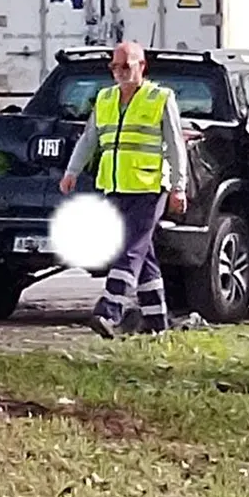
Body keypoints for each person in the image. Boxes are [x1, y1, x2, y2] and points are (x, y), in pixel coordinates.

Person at [59, 41, 188, 339]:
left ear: (141, 66)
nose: (118, 71)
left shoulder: (160, 98)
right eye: (113, 66)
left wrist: (178, 187)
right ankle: (157, 322)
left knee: (128, 249)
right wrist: (71, 172)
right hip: (115, 187)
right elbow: (89, 139)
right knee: (143, 254)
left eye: (125, 66)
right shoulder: (105, 98)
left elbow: (175, 145)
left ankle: (109, 311)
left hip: (149, 188)